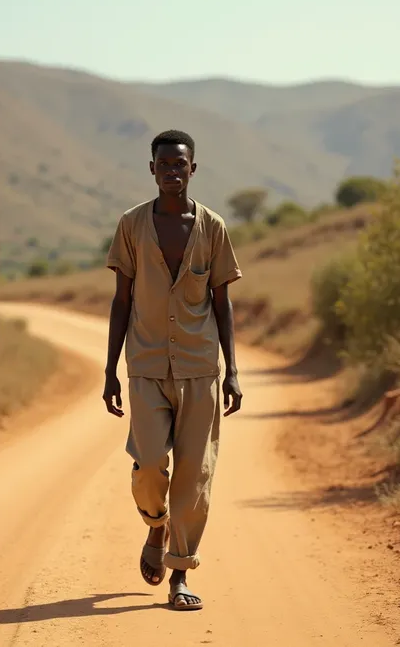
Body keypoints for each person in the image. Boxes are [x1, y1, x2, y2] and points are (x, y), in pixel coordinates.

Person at [103, 129, 243, 611]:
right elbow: (121, 301)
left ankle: (180, 573)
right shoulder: (131, 225)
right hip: (144, 364)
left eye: (180, 165)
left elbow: (222, 303)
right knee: (147, 467)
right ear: (152, 169)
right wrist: (109, 371)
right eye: (163, 164)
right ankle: (156, 524)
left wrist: (233, 370)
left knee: (194, 475)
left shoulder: (212, 227)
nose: (171, 172)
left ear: (192, 169)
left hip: (201, 367)